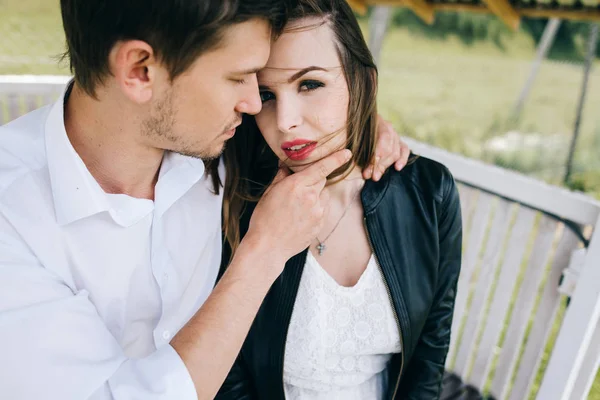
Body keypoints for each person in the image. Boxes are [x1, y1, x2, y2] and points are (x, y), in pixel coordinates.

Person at [0, 1, 410, 399]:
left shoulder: (217, 143)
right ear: (141, 71)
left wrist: (361, 122)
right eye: (239, 77)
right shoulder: (13, 218)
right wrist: (263, 251)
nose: (252, 104)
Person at [216, 1, 463, 399]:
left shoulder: (429, 193)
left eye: (310, 84)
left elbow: (429, 354)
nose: (284, 122)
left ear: (363, 82)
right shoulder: (234, 198)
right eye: (266, 94)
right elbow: (227, 375)